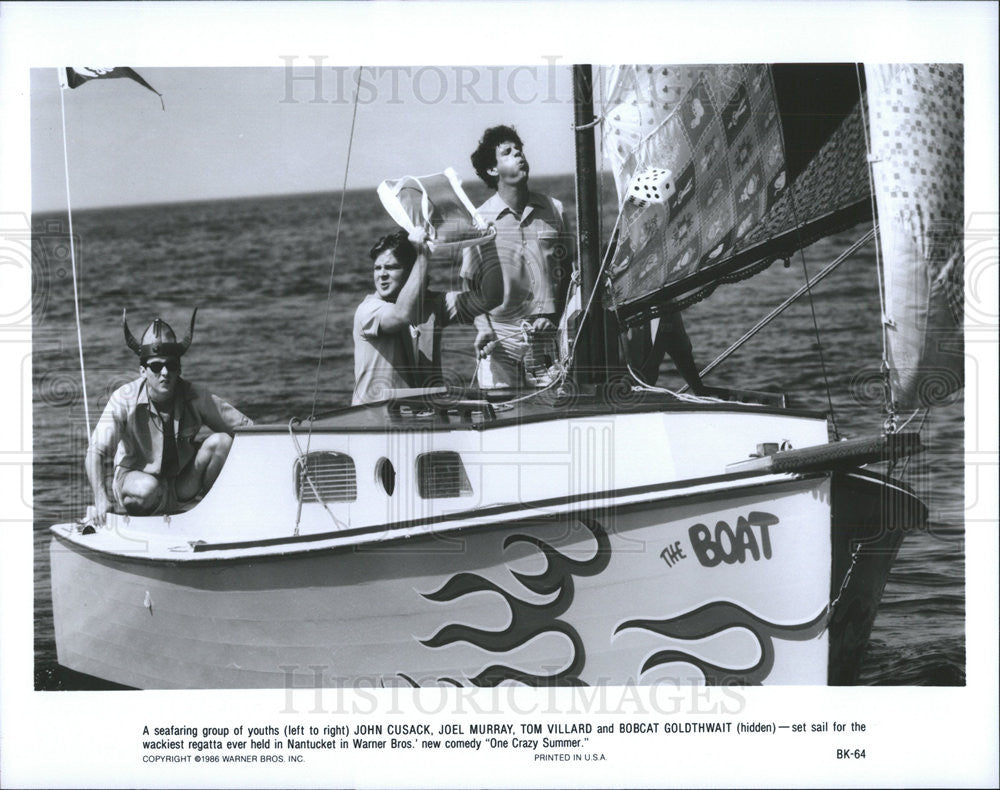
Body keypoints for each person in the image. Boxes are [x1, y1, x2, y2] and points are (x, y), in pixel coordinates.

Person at [85, 309, 253, 524]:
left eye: (171, 365)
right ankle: (141, 526)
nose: (165, 372)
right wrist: (100, 500)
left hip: (181, 486)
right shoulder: (123, 399)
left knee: (222, 442)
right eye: (156, 366)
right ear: (143, 371)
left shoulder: (196, 396)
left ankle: (213, 514)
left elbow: (248, 431)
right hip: (137, 485)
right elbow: (95, 452)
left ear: (179, 369)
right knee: (148, 488)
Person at [463, 125, 573, 388]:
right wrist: (482, 327)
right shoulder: (480, 221)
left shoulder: (555, 210)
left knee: (550, 422)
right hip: (498, 348)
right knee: (499, 421)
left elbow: (569, 273)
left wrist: (555, 317)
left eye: (520, 150)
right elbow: (469, 287)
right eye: (508, 152)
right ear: (492, 170)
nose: (519, 155)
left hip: (547, 348)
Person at [352, 228, 501, 405]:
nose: (382, 274)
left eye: (391, 267)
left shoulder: (433, 304)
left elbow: (491, 297)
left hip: (422, 414)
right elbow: (401, 315)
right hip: (372, 418)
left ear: (411, 272)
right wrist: (423, 254)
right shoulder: (368, 310)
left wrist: (488, 243)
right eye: (377, 268)